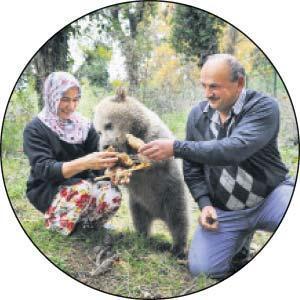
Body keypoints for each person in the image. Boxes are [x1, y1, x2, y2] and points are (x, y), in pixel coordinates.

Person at [139, 54, 295, 279]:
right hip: (226, 212)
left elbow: (233, 149)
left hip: (270, 198)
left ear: (239, 83)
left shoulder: (263, 107)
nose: (207, 93)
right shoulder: (197, 115)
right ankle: (239, 246)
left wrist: (176, 148)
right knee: (203, 270)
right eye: (204, 85)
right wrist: (204, 204)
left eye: (215, 86)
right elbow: (193, 169)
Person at [23, 71, 129, 236]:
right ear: (52, 96)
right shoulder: (35, 128)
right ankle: (57, 224)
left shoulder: (84, 125)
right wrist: (86, 162)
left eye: (75, 99)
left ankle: (86, 226)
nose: (71, 106)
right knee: (81, 189)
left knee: (112, 193)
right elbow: (45, 169)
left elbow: (99, 160)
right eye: (65, 99)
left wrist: (112, 171)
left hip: (80, 184)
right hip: (48, 188)